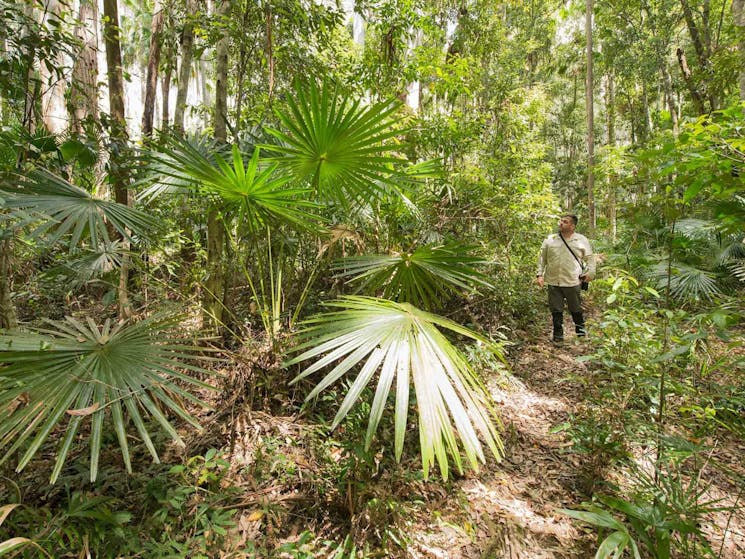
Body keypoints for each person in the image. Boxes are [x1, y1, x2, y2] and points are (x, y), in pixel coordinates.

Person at [536, 214, 595, 343]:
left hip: (572, 280)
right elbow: (542, 259)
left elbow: (590, 259)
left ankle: (581, 333)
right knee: (556, 309)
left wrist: (590, 274)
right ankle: (558, 336)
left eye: (565, 221)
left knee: (575, 308)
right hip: (553, 280)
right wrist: (539, 274)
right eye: (561, 221)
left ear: (572, 226)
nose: (561, 223)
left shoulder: (581, 240)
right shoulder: (550, 239)